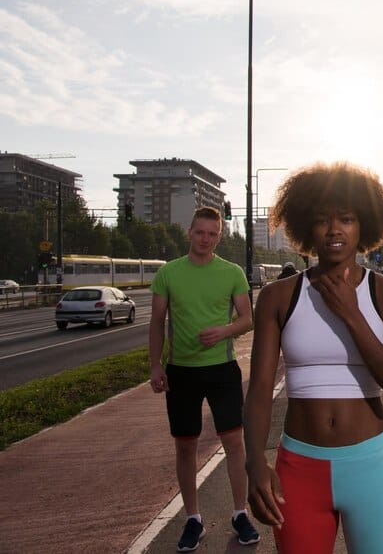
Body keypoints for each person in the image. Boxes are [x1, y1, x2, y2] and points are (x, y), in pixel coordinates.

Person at [244, 162, 383, 554]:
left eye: (347, 219)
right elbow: (258, 390)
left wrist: (351, 314)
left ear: (364, 226)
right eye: (322, 220)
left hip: (371, 466)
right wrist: (254, 462)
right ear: (307, 227)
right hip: (299, 469)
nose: (334, 229)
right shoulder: (278, 297)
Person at [148, 206, 260, 551]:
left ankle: (240, 513)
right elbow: (156, 323)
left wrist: (224, 331)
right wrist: (156, 365)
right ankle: (193, 519)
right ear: (190, 232)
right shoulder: (168, 273)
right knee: (186, 446)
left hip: (222, 371)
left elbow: (247, 319)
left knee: (234, 444)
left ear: (219, 237)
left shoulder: (231, 273)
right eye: (200, 232)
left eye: (213, 234)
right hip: (181, 372)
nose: (206, 239)